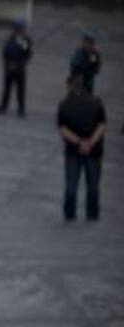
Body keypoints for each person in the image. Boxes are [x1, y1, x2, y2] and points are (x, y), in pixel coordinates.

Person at [57, 74, 106, 221]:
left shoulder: (64, 104)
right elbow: (102, 125)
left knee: (71, 185)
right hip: (94, 151)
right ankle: (92, 214)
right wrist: (90, 142)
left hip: (73, 151)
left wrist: (79, 142)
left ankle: (70, 213)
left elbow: (62, 128)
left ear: (70, 86)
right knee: (93, 185)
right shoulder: (97, 102)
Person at [0, 18, 32, 117]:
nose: (18, 30)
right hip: (9, 67)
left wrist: (19, 63)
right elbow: (5, 53)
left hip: (20, 69)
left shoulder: (26, 40)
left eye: (20, 28)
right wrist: (8, 63)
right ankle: (3, 106)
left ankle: (21, 109)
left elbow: (27, 54)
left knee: (20, 89)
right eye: (17, 28)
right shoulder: (10, 39)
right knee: (7, 88)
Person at [69, 30, 102, 94]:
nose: (88, 45)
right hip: (77, 81)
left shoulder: (93, 54)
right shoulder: (79, 53)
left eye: (90, 43)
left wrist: (90, 70)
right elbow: (74, 66)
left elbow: (95, 67)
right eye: (86, 42)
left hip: (88, 81)